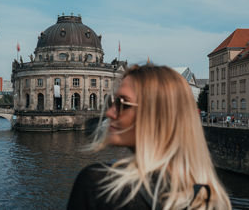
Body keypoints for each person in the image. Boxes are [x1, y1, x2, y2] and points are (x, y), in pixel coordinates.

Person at [68, 64, 231, 210]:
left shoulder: (98, 184)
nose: (110, 112)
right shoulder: (211, 199)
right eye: (112, 103)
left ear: (157, 115)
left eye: (123, 104)